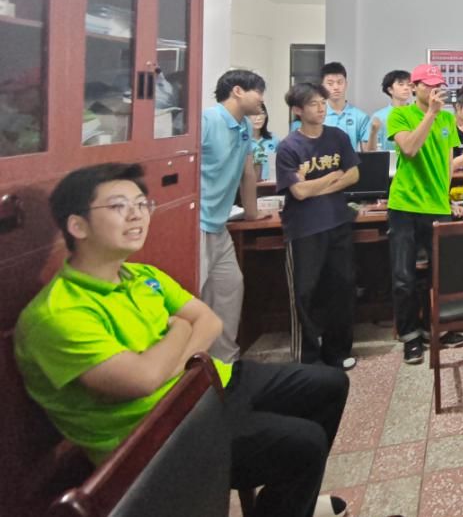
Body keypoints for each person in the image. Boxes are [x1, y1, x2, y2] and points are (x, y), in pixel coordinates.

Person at [14, 163, 350, 517]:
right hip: (160, 435)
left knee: (329, 384)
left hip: (208, 387)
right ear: (77, 225)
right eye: (118, 206)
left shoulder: (141, 275)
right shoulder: (57, 313)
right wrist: (179, 330)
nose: (136, 215)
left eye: (142, 204)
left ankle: (290, 504)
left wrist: (166, 358)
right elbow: (144, 380)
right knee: (304, 443)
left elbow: (209, 321)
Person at [387, 64, 463, 365]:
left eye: (439, 85)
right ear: (414, 87)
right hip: (405, 205)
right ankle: (410, 336)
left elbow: (448, 163)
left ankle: (436, 327)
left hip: (437, 206)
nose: (435, 90)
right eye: (428, 85)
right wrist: (430, 114)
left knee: (439, 273)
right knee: (404, 276)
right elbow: (409, 148)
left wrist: (446, 197)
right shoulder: (400, 115)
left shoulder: (447, 119)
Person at [276, 83, 361, 370]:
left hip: (338, 222)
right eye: (313, 104)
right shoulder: (289, 146)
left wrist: (315, 185)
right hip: (304, 229)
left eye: (322, 103)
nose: (321, 108)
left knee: (342, 287)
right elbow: (298, 193)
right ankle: (308, 359)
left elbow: (353, 175)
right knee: (305, 292)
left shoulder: (337, 137)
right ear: (298, 110)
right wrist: (331, 177)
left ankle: (338, 352)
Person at [200, 69, 267, 362]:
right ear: (238, 91)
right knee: (193, 295)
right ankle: (190, 368)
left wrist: (252, 214)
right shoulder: (207, 120)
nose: (261, 100)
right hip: (196, 224)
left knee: (230, 287)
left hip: (219, 225)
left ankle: (226, 363)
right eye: (258, 92)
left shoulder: (244, 127)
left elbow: (247, 172)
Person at [292, 62, 372, 152]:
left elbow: (367, 153)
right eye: (330, 83)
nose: (336, 87)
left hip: (349, 160)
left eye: (340, 82)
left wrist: (374, 131)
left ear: (346, 84)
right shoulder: (314, 114)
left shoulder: (360, 117)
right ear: (322, 86)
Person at [365, 69, 412, 153]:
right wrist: (373, 132)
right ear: (390, 90)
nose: (406, 88)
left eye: (409, 84)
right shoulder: (379, 116)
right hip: (388, 160)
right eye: (401, 84)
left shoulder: (417, 113)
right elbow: (370, 151)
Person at [250, 101, 279, 182]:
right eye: (254, 114)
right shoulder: (242, 140)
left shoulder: (274, 139)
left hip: (270, 184)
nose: (258, 118)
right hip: (248, 185)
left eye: (261, 113)